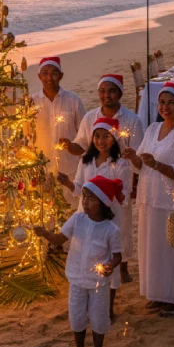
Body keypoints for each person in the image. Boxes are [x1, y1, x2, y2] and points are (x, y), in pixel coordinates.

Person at [122, 82, 174, 317]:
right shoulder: (153, 128)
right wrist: (134, 157)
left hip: (169, 200)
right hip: (148, 196)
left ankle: (173, 299)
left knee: (170, 251)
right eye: (162, 102)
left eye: (171, 103)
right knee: (150, 249)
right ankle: (156, 294)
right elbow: (141, 164)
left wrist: (156, 164)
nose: (165, 107)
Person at [62, 73, 144, 281]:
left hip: (119, 179)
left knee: (121, 225)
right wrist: (69, 146)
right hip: (94, 176)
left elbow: (138, 153)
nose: (106, 95)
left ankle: (122, 265)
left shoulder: (132, 120)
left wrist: (131, 184)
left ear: (120, 93)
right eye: (102, 91)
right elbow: (82, 144)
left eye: (111, 91)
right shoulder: (90, 117)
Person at [35, 176, 123, 347]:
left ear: (103, 203)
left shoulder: (111, 230)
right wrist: (45, 234)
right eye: (84, 197)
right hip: (76, 278)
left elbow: (117, 255)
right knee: (77, 316)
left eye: (91, 199)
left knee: (99, 318)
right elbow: (59, 238)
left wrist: (110, 266)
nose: (85, 202)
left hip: (98, 282)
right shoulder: (77, 219)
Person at [59, 117, 131, 321]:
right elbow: (80, 188)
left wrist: (112, 194)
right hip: (85, 216)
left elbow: (124, 194)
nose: (101, 141)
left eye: (106, 136)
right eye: (97, 136)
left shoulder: (121, 164)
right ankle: (85, 300)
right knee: (85, 255)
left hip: (109, 218)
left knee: (107, 258)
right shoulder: (85, 160)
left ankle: (108, 307)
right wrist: (68, 184)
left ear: (114, 138)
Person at [30, 56, 86, 208]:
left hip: (69, 169)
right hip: (41, 170)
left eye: (54, 73)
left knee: (72, 210)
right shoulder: (31, 102)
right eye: (45, 73)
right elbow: (26, 136)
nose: (49, 78)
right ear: (39, 76)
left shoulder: (74, 100)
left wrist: (71, 145)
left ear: (61, 75)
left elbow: (85, 136)